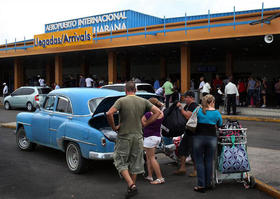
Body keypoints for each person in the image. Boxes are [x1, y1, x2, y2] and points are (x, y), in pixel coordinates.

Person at [106, 81, 161, 198]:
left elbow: (109, 113)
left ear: (125, 90)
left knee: (120, 161)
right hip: (138, 136)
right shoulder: (143, 101)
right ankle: (132, 188)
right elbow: (158, 112)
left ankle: (131, 185)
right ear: (136, 90)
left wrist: (114, 127)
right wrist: (146, 124)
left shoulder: (121, 100)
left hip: (124, 136)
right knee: (135, 163)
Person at [193, 94, 223, 193]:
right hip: (211, 139)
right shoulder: (216, 113)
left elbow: (192, 121)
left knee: (199, 161)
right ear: (212, 102)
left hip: (199, 138)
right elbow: (220, 124)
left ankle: (201, 185)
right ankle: (208, 183)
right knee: (209, 161)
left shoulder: (198, 110)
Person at [173, 91, 198, 177]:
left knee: (194, 152)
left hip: (194, 133)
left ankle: (196, 170)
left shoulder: (194, 105)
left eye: (186, 97)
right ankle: (182, 168)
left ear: (191, 97)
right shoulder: (188, 106)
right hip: (187, 132)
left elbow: (188, 116)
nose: (185, 99)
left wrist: (181, 108)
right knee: (182, 149)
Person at [142, 98, 165, 185]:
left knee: (151, 158)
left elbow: (142, 123)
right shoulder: (161, 113)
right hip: (157, 137)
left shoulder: (148, 114)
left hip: (149, 138)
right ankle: (150, 175)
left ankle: (160, 178)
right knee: (149, 157)